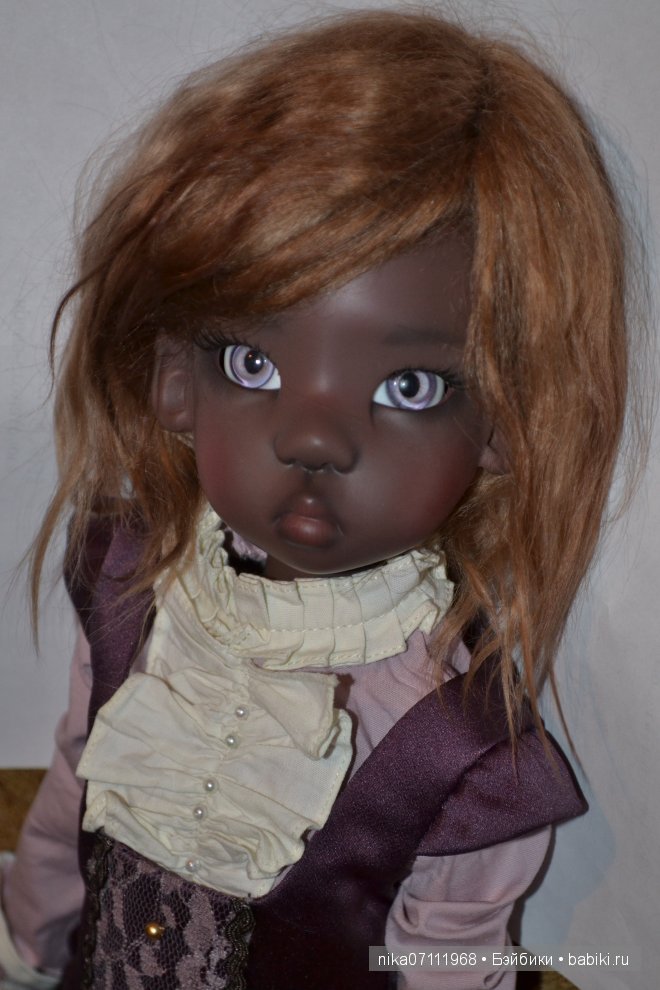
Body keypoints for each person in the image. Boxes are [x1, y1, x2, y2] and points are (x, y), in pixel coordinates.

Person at [0, 8, 632, 989]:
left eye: (409, 387)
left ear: (506, 422)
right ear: (176, 380)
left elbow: (450, 963)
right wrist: (27, 950)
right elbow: (71, 804)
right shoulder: (132, 588)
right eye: (252, 362)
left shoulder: (452, 747)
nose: (313, 438)